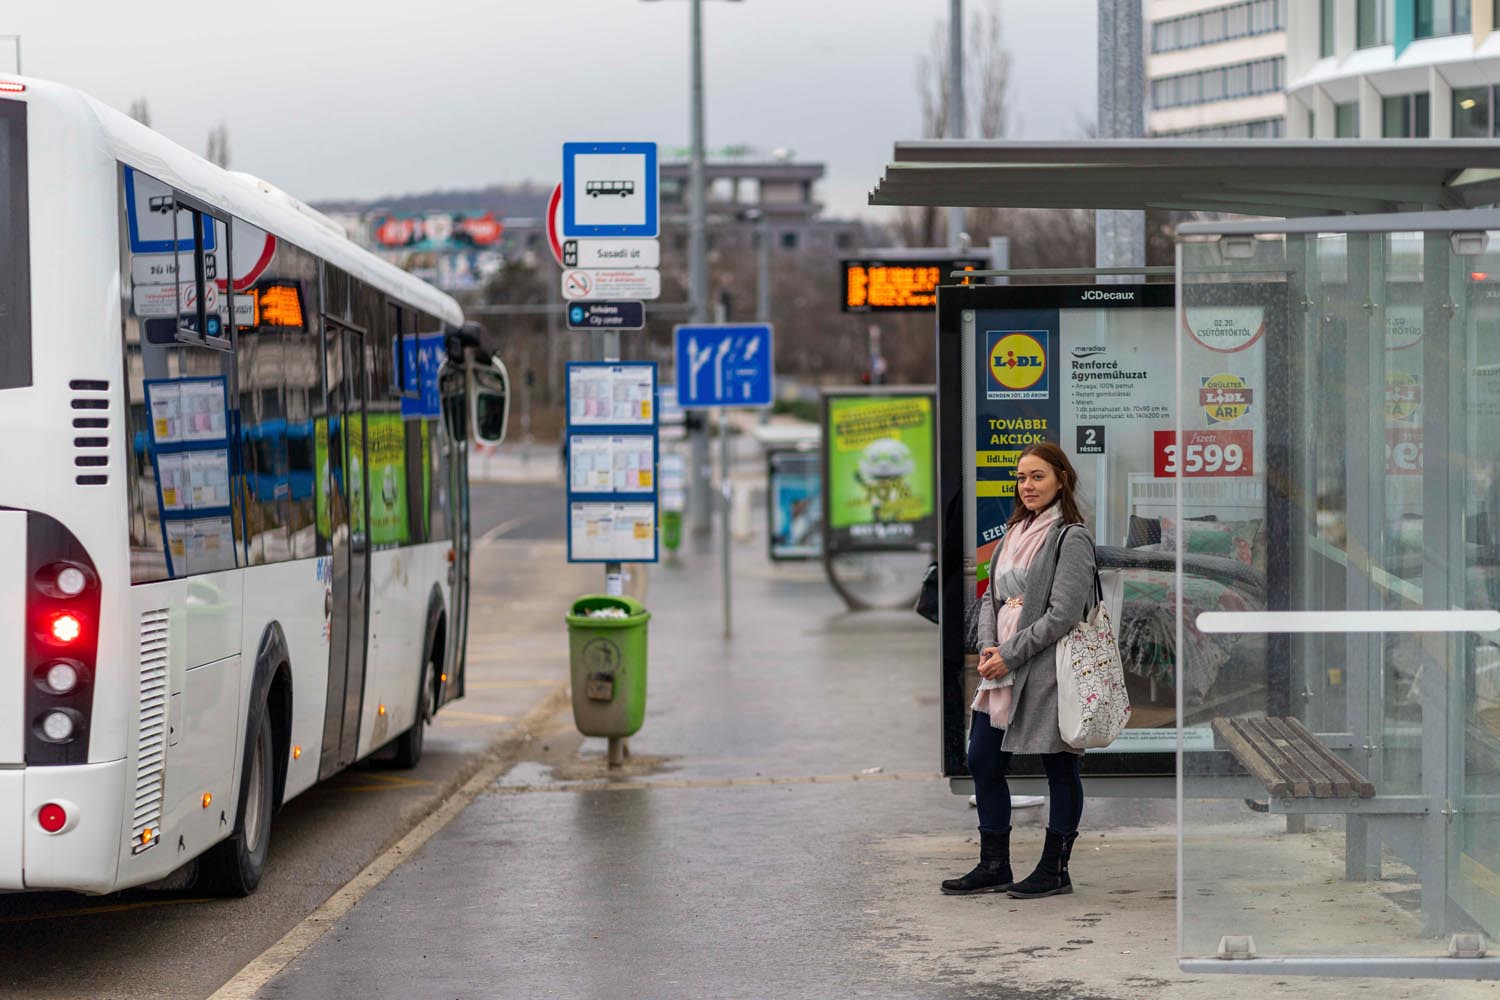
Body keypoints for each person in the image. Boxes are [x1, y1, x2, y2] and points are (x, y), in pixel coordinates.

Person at [941, 441, 1097, 899]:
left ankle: (1055, 869)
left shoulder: (1071, 536)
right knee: (983, 759)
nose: (1026, 486)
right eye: (1021, 477)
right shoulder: (1013, 532)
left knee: (1059, 765)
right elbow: (990, 598)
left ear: (1061, 479)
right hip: (1003, 666)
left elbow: (1063, 613)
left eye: (1037, 476)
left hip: (1044, 669)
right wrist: (991, 647)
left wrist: (1012, 653)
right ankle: (995, 865)